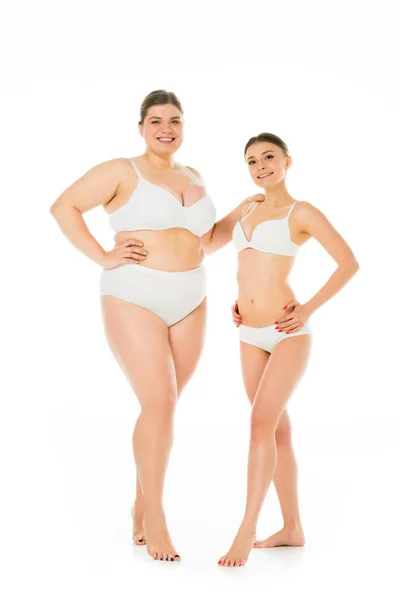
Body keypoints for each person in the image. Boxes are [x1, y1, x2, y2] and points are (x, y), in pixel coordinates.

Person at [50, 89, 261, 562]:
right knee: (159, 401)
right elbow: (63, 207)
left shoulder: (194, 175)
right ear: (141, 127)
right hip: (132, 294)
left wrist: (241, 211)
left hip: (191, 297)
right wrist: (103, 256)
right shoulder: (120, 170)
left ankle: (139, 504)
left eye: (175, 121)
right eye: (156, 121)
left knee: (163, 409)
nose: (167, 128)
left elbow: (204, 242)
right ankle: (157, 518)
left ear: (183, 127)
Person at [215, 132, 359, 567]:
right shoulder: (248, 208)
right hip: (248, 334)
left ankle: (247, 528)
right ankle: (293, 527)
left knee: (260, 423)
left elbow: (349, 263)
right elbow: (214, 246)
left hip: (287, 333)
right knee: (277, 431)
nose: (260, 167)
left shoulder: (302, 212)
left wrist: (308, 309)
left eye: (268, 158)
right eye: (252, 161)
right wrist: (240, 301)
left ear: (287, 161)